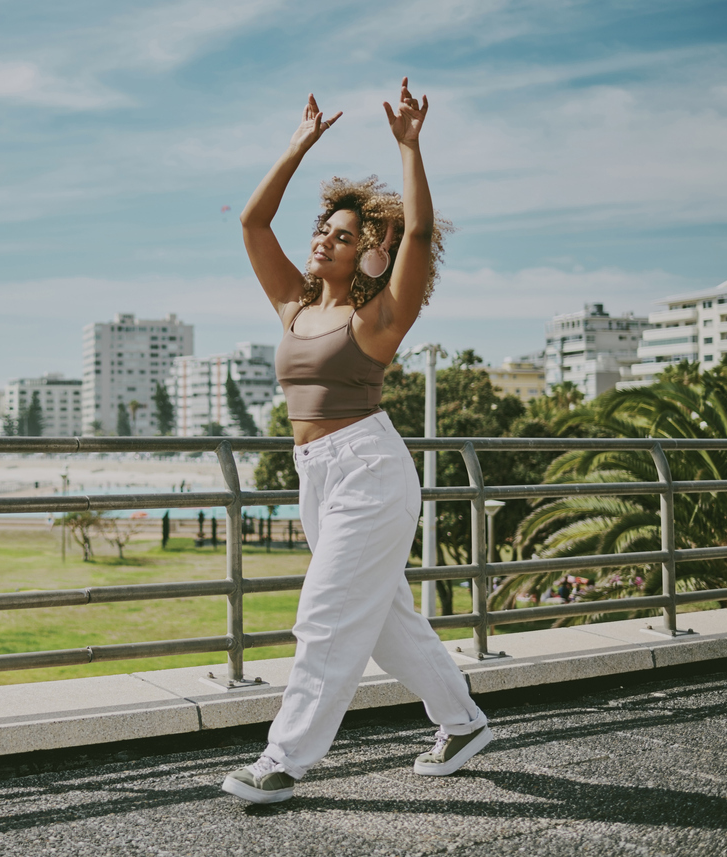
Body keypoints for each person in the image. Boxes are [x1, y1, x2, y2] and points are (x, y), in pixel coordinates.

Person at [222, 78, 492, 804]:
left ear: (369, 254)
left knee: (327, 614)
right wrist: (297, 146)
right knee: (380, 622)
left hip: (370, 470)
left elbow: (423, 236)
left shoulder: (377, 322)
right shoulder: (295, 303)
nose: (322, 240)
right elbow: (252, 224)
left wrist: (410, 147)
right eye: (323, 229)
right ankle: (462, 721)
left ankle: (284, 760)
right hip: (317, 474)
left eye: (343, 237)